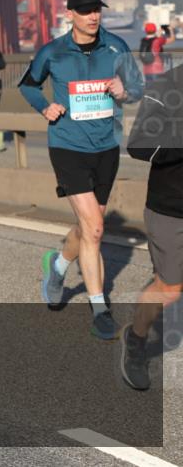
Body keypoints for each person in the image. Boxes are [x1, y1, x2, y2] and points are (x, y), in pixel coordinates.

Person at [20, 0, 144, 339]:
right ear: (70, 14)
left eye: (97, 10)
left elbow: (135, 86)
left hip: (106, 147)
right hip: (68, 146)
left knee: (91, 227)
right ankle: (99, 307)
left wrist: (124, 91)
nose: (94, 16)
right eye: (86, 11)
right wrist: (44, 106)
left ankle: (58, 265)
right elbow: (28, 85)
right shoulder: (53, 51)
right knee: (95, 230)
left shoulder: (116, 46)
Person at [121, 63, 182, 389]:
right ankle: (136, 338)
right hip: (172, 209)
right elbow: (140, 144)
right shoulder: (167, 87)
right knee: (170, 290)